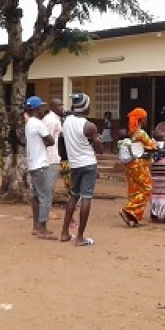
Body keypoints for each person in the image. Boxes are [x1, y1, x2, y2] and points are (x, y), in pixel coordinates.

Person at [60, 93, 103, 245]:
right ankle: (80, 237)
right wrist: (98, 140)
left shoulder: (66, 121)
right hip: (88, 163)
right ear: (86, 107)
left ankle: (64, 232)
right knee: (86, 197)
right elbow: (100, 150)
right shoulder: (89, 126)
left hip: (75, 164)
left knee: (73, 196)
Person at [23, 96, 57, 239]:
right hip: (41, 164)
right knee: (45, 197)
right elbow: (51, 140)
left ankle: (36, 226)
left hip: (33, 163)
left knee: (37, 196)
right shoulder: (38, 123)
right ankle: (42, 228)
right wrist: (46, 142)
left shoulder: (29, 123)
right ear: (37, 109)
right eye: (41, 107)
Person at [119, 107, 155, 227]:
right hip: (139, 164)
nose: (146, 120)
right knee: (147, 188)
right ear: (141, 119)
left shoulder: (131, 133)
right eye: (145, 118)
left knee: (135, 190)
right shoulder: (141, 133)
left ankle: (133, 217)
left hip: (130, 164)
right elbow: (152, 146)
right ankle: (128, 209)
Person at [42, 98, 63, 187]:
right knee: (48, 188)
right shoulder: (51, 120)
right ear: (52, 107)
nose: (62, 108)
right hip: (50, 159)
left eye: (62, 105)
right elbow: (46, 140)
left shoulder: (55, 119)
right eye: (59, 105)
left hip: (53, 157)